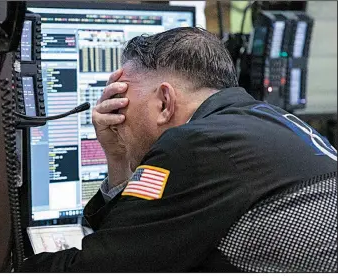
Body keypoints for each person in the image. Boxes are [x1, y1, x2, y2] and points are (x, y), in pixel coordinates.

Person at [21, 27, 337, 272]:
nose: (117, 120)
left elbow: (101, 266)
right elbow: (131, 238)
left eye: (123, 104)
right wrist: (118, 157)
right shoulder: (271, 123)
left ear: (164, 102)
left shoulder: (197, 144)